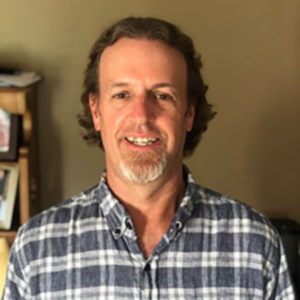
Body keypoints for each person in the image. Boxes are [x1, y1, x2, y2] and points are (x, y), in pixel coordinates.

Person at [2, 17, 295, 300]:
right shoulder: (35, 250)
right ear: (96, 110)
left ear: (189, 113)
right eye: (122, 95)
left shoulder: (255, 244)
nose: (142, 116)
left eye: (163, 95)